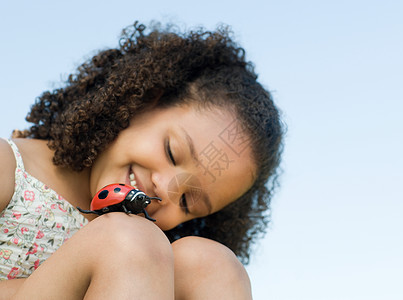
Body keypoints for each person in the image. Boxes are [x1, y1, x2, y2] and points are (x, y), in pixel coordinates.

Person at [0, 21, 283, 299]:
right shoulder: (10, 167)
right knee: (129, 240)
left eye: (187, 201)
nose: (166, 188)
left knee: (213, 264)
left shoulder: (154, 257)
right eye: (172, 152)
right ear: (145, 100)